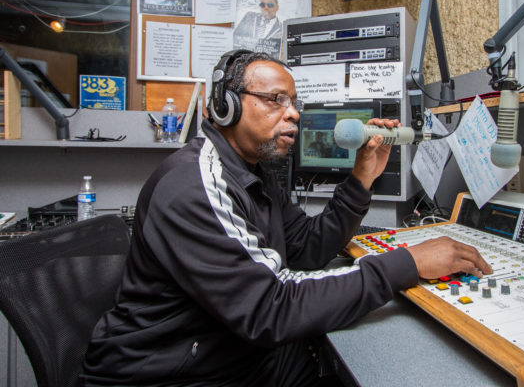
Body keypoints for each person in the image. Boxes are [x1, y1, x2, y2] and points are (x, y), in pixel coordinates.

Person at [81, 50, 492, 386]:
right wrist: (407, 263)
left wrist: (362, 177)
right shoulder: (193, 185)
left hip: (235, 355)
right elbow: (271, 308)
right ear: (225, 106)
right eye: (276, 99)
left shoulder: (254, 173)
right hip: (171, 376)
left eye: (294, 103)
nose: (293, 113)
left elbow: (308, 247)